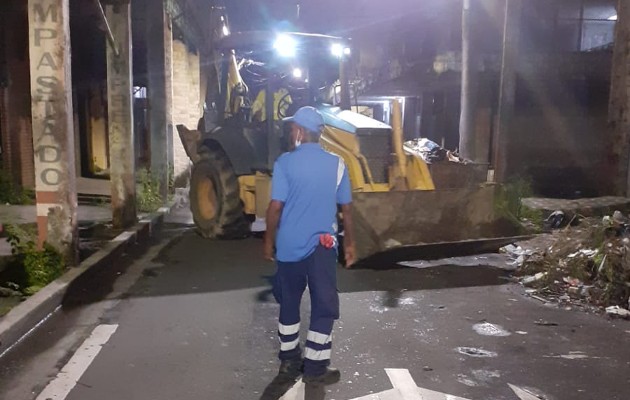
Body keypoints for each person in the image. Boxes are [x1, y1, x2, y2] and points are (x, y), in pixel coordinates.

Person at [264, 106, 356, 386]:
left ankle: (289, 361)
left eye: (293, 129)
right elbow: (347, 210)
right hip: (322, 247)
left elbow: (275, 208)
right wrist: (350, 243)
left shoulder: (284, 163)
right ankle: (315, 366)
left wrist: (268, 242)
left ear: (301, 132)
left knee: (289, 302)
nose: (291, 133)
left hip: (290, 247)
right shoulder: (338, 164)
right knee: (324, 306)